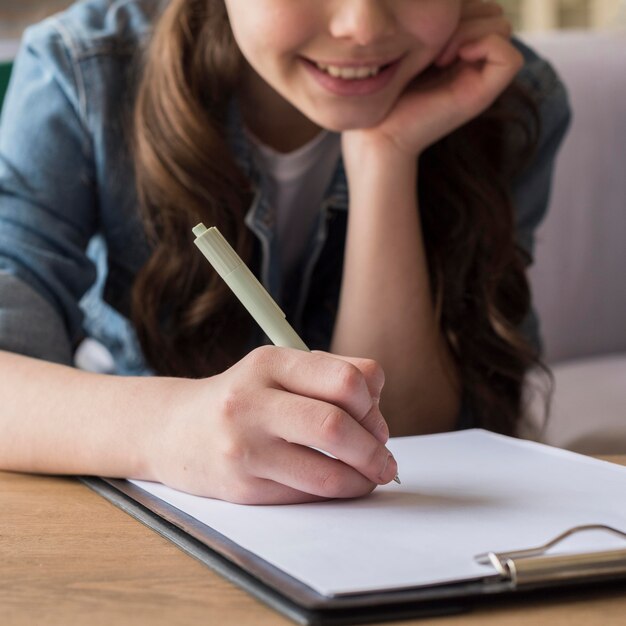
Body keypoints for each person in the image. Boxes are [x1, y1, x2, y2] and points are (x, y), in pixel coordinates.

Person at [0, 0, 569, 504]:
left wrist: (384, 157)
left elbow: (401, 438)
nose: (362, 26)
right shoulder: (84, 70)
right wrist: (172, 427)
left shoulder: (500, 95)